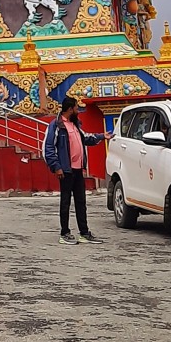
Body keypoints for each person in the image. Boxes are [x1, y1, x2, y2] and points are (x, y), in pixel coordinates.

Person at [44, 95, 112, 245]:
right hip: (65, 170)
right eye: (76, 107)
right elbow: (48, 147)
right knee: (66, 202)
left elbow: (86, 138)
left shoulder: (75, 125)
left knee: (81, 202)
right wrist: (57, 167)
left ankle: (84, 232)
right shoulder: (56, 125)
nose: (78, 110)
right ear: (70, 109)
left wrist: (102, 136)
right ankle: (65, 233)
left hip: (78, 169)